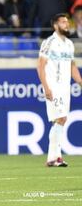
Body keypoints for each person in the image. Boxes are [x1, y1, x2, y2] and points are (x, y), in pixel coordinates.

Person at [37, 13, 82, 167]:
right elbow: (40, 66)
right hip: (53, 87)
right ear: (55, 25)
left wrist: (80, 81)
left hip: (65, 88)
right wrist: (46, 87)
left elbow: (72, 66)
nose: (66, 24)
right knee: (61, 119)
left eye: (67, 22)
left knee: (61, 120)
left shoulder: (69, 44)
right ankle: (54, 158)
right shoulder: (49, 42)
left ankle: (53, 158)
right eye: (63, 22)